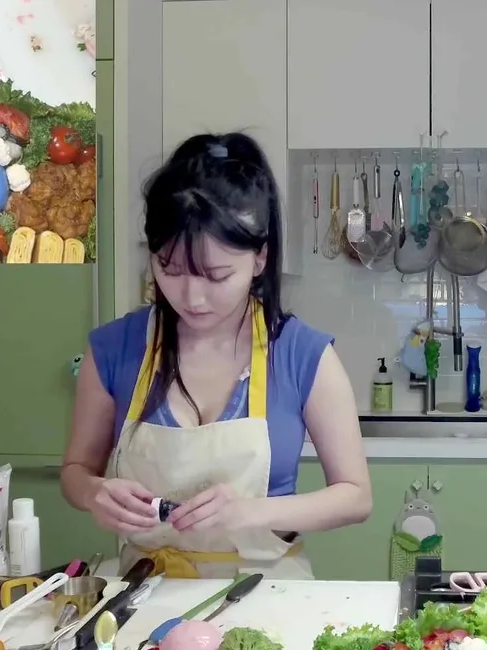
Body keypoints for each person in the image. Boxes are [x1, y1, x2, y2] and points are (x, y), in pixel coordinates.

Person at [61, 133, 371, 579]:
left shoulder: (303, 354)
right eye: (170, 269)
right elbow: (75, 472)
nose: (192, 297)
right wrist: (94, 493)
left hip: (268, 592)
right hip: (145, 591)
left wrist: (250, 512)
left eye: (217, 275)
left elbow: (356, 497)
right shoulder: (114, 349)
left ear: (259, 259)